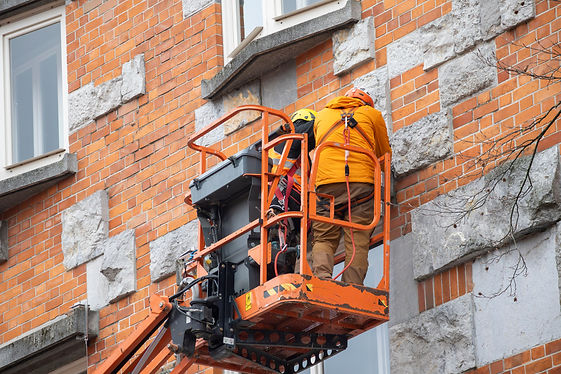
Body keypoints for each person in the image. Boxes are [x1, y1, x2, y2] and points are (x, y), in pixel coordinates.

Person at [311, 87, 391, 285]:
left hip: (324, 185)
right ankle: (353, 286)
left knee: (323, 237)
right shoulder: (373, 115)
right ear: (366, 104)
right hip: (360, 185)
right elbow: (384, 154)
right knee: (358, 240)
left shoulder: (321, 116)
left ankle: (322, 280)